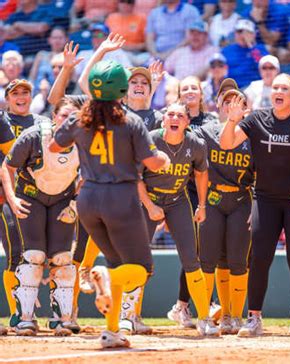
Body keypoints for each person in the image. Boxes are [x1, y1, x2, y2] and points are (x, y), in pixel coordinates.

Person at [49, 59, 170, 348]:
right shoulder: (130, 121)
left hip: (88, 198)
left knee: (117, 265)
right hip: (121, 198)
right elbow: (154, 162)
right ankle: (103, 276)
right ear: (122, 89)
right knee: (141, 269)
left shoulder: (78, 118)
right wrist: (164, 159)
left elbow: (55, 145)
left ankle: (112, 332)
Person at [220, 73, 290, 336]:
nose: (278, 91)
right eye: (275, 87)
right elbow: (227, 143)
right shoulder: (256, 119)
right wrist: (232, 120)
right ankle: (253, 318)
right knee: (259, 258)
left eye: (284, 88)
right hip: (265, 200)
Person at [1, 97, 80, 336]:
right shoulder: (34, 136)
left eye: (73, 117)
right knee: (33, 257)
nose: (68, 121)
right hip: (31, 197)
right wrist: (13, 199)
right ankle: (25, 318)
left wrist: (77, 202)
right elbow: (7, 166)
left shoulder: (85, 140)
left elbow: (91, 172)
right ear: (54, 116)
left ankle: (62, 319)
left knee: (63, 260)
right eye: (64, 115)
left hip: (63, 199)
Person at [138, 102, 219, 336]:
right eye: (170, 114)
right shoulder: (149, 139)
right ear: (163, 120)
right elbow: (135, 177)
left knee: (191, 258)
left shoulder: (196, 144)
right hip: (148, 199)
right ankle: (129, 316)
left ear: (186, 122)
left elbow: (201, 174)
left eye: (180, 115)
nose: (174, 118)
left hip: (177, 201)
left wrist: (202, 205)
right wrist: (150, 206)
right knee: (138, 258)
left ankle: (204, 318)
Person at [194, 87, 253, 335]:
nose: (231, 104)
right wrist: (201, 204)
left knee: (238, 261)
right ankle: (204, 316)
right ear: (218, 104)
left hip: (242, 198)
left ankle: (234, 316)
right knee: (209, 259)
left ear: (245, 107)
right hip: (214, 198)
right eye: (226, 100)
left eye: (237, 100)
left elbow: (263, 172)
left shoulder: (252, 135)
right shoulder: (206, 132)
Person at [0, 79, 51, 331]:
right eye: (15, 93)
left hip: (37, 196)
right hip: (6, 195)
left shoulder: (41, 122)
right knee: (15, 255)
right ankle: (16, 313)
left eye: (25, 92)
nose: (20, 97)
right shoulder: (2, 120)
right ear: (8, 98)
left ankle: (31, 311)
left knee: (33, 256)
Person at [222, 19, 268, 89]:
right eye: (239, 32)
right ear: (235, 34)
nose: (243, 35)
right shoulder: (226, 51)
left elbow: (264, 67)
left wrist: (250, 45)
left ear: (254, 35)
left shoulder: (260, 49)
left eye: (247, 32)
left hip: (255, 89)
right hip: (233, 89)